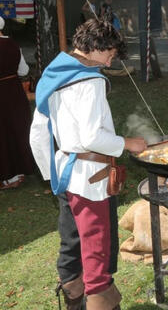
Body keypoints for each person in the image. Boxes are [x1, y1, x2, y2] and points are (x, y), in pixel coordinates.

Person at [29, 18, 147, 310]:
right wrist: (127, 143)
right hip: (89, 178)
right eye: (110, 53)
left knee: (72, 240)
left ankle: (73, 298)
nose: (111, 59)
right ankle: (98, 302)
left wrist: (51, 174)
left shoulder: (55, 73)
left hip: (65, 173)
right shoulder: (90, 80)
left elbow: (37, 132)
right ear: (96, 47)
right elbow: (92, 136)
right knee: (97, 248)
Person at [0, 16, 35, 190]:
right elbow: (24, 70)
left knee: (3, 133)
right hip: (14, 92)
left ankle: (8, 176)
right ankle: (20, 171)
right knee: (17, 129)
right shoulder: (13, 44)